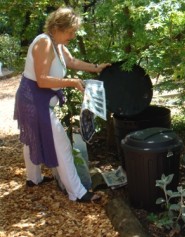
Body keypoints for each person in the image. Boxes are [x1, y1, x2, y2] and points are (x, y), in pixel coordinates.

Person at [14, 7, 111, 202]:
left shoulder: (57, 43)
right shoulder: (44, 43)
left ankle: (33, 179)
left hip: (36, 99)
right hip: (32, 100)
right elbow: (42, 80)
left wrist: (96, 68)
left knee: (32, 137)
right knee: (62, 145)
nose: (73, 35)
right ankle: (78, 192)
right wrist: (72, 82)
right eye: (71, 31)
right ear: (59, 27)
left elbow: (72, 61)